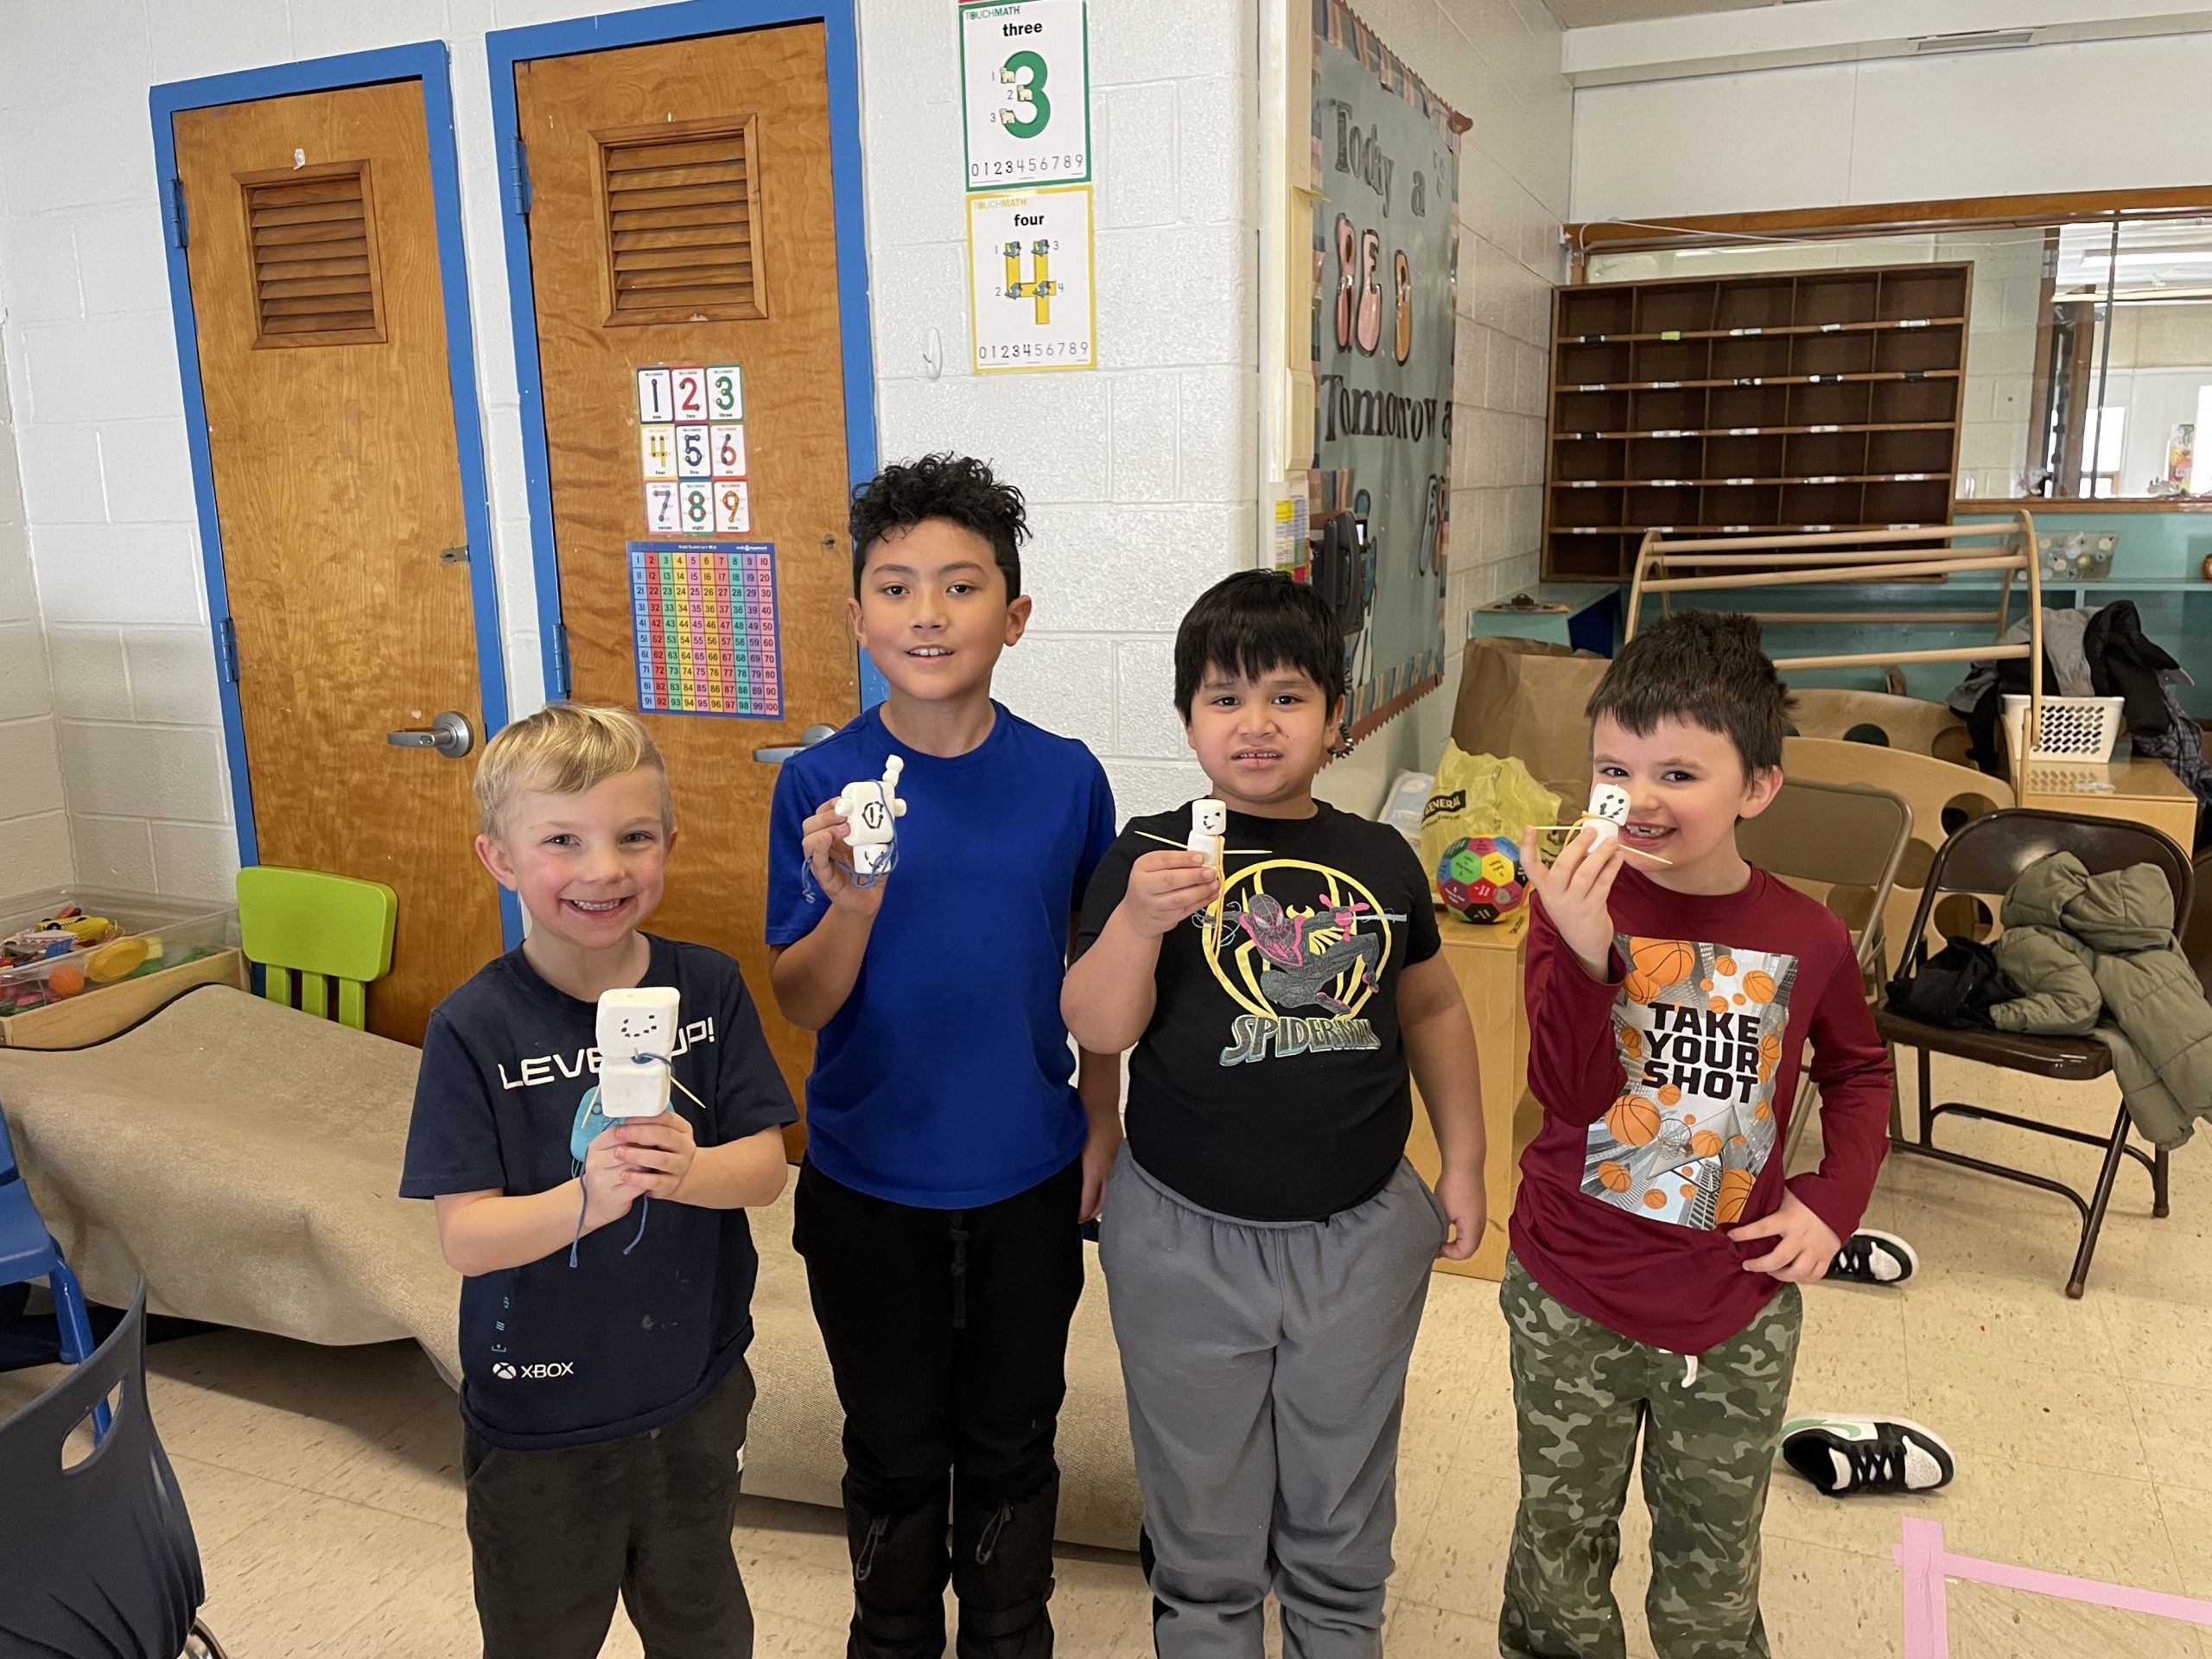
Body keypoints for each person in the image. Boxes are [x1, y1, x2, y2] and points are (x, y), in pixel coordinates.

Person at [1065, 569, 1485, 1658]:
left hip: (1359, 1231)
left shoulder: (1379, 859)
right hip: (1181, 1235)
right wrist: (1137, 927)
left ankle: (1336, 1629)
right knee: (1200, 1498)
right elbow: (1099, 1027)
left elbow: (1432, 1004)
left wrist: (1467, 1162)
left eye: (1287, 696)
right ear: (1186, 720)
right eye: (1223, 698)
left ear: (1336, 717)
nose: (1255, 723)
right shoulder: (1150, 852)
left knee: (1341, 1488)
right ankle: (1205, 1627)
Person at [765, 453, 1119, 1659]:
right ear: (857, 612)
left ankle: (1011, 1637)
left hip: (1027, 1174)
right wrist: (850, 903)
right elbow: (800, 997)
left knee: (1016, 1440)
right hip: (867, 1184)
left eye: (961, 586)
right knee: (894, 1447)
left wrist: (1104, 1120)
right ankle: (893, 1637)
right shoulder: (817, 783)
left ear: (1013, 617)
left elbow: (1098, 980)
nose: (928, 613)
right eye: (897, 586)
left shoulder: (1067, 777)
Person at [1502, 610, 1893, 1658]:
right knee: (1558, 1549)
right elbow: (1565, 1095)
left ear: (1757, 787)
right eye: (1614, 769)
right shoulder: (1571, 904)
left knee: (1711, 1578)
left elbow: (1858, 1069)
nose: (1638, 800)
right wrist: (1586, 956)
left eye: (1678, 773)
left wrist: (1834, 1198)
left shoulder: (1805, 936)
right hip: (1569, 1285)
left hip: (1730, 1304)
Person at [398, 702, 797, 1659]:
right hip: (539, 1410)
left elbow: (766, 1170)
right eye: (562, 841)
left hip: (692, 1387)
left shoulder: (706, 988)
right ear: (498, 858)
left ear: (669, 843)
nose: (602, 869)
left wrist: (691, 1168)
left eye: (632, 837)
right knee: (542, 1634)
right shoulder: (473, 1030)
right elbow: (468, 1237)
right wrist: (587, 1199)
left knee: (702, 1624)